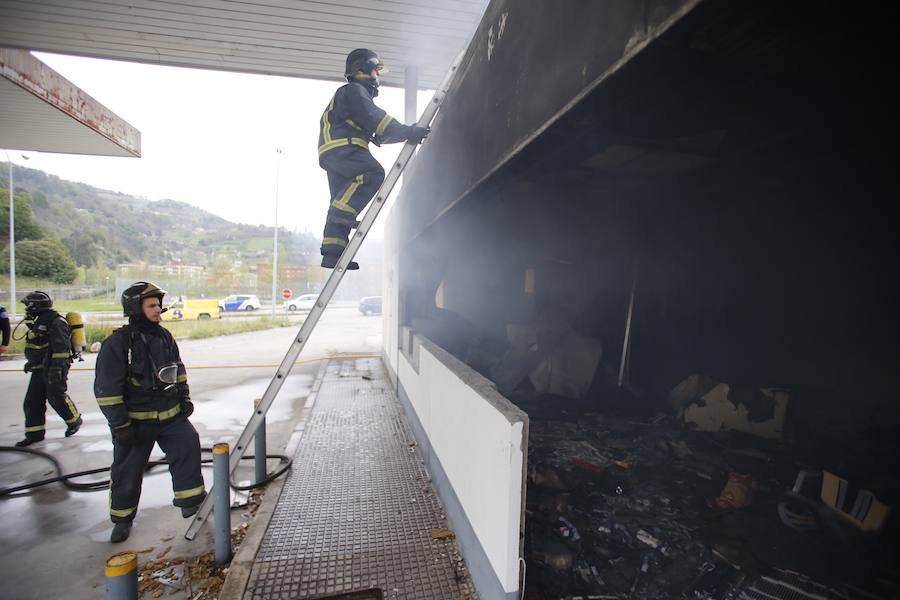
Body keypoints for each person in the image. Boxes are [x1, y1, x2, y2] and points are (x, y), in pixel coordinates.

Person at [94, 281, 205, 543]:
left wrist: (184, 398)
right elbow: (107, 389)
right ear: (135, 308)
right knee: (127, 472)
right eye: (152, 305)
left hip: (169, 417)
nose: (159, 310)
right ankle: (122, 519)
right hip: (135, 423)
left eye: (158, 305)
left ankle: (191, 503)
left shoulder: (164, 336)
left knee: (188, 443)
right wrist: (120, 425)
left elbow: (178, 369)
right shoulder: (118, 343)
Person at [317, 48, 430, 269]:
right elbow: (376, 118)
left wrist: (406, 133)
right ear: (364, 71)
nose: (378, 77)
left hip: (335, 152)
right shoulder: (354, 91)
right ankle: (340, 218)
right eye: (376, 71)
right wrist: (409, 131)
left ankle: (333, 252)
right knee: (372, 173)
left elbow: (379, 134)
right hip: (345, 148)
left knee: (341, 200)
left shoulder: (348, 96)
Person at [15, 291, 82, 447]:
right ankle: (34, 434)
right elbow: (38, 346)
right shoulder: (38, 321)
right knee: (32, 402)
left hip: (55, 367)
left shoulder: (56, 321)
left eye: (28, 306)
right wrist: (31, 362)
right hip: (39, 367)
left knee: (56, 398)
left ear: (34, 306)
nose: (26, 309)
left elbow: (62, 348)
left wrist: (57, 368)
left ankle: (75, 420)